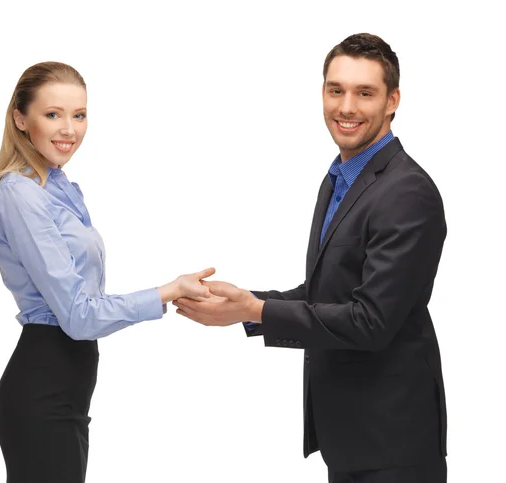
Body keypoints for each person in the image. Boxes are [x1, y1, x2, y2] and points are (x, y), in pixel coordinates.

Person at [174, 33, 448, 483]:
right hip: (351, 438)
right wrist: (244, 308)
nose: (346, 107)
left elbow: (371, 321)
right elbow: (330, 291)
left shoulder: (406, 191)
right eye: (335, 90)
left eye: (365, 93)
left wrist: (259, 310)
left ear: (393, 100)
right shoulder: (341, 177)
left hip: (392, 443)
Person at [0, 61, 214, 483]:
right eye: (53, 114)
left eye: (79, 114)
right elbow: (77, 315)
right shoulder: (18, 194)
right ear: (21, 118)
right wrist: (166, 291)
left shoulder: (57, 186)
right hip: (43, 386)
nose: (68, 129)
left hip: (68, 387)